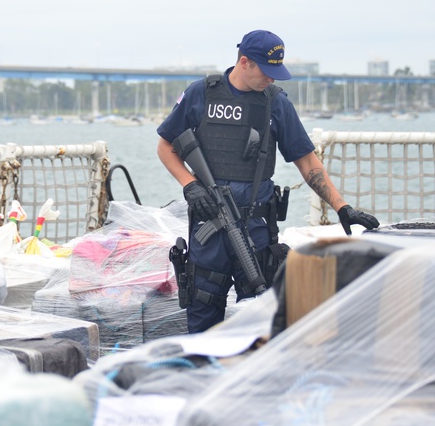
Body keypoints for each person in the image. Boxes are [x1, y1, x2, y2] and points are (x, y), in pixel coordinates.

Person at [156, 29, 379, 333]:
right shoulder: (201, 94)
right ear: (244, 62)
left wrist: (341, 207)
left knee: (263, 316)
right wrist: (190, 185)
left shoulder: (276, 103)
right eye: (267, 71)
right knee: (203, 312)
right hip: (207, 227)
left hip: (255, 228)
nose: (272, 79)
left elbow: (307, 160)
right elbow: (166, 145)